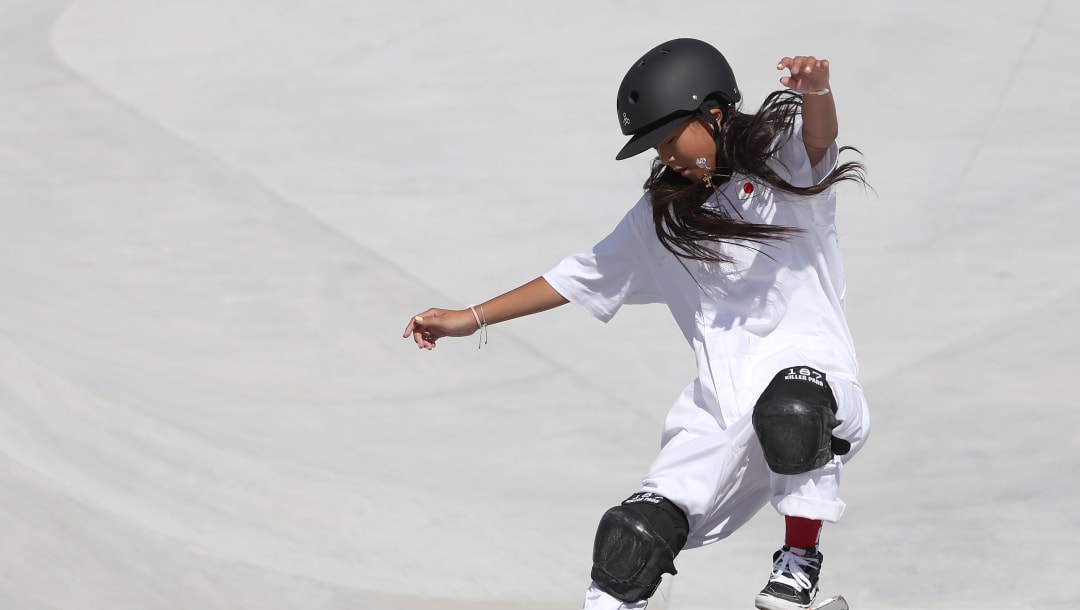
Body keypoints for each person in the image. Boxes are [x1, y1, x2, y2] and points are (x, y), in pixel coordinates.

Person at [403, 38, 870, 610]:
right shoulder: (662, 218)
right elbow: (576, 277)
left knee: (790, 411)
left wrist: (818, 90)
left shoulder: (784, 170)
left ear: (715, 114)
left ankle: (799, 564)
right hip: (719, 413)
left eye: (673, 139)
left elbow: (820, 136)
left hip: (819, 390)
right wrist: (468, 317)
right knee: (630, 542)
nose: (668, 156)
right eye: (656, 147)